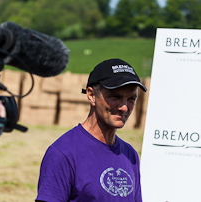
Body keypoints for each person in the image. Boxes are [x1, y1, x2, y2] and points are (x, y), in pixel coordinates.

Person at [35, 58, 147, 202]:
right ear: (91, 95)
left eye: (131, 99)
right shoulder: (62, 153)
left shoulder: (130, 155)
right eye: (115, 97)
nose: (124, 107)